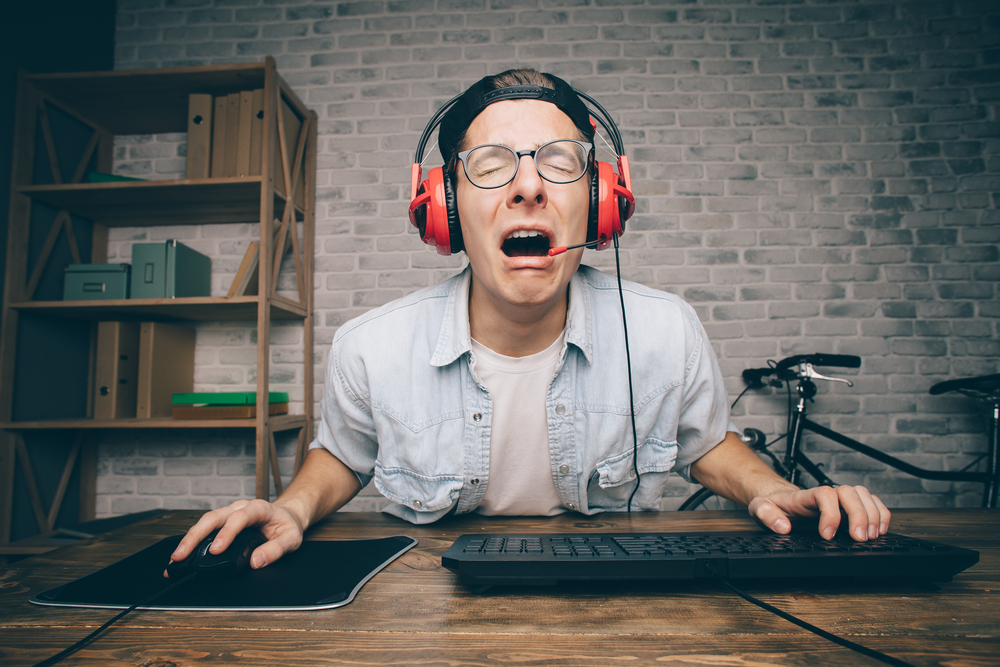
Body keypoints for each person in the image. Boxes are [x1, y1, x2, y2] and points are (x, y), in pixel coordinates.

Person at [167, 69, 890, 573]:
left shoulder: (666, 330)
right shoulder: (370, 347)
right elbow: (345, 455)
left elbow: (706, 446)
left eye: (559, 161)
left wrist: (771, 489)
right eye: (488, 164)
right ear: (443, 206)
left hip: (619, 604)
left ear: (604, 200)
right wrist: (291, 509)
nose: (527, 187)